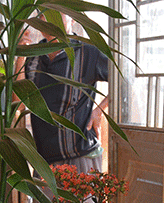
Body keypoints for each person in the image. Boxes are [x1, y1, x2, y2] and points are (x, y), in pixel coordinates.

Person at [22, 12, 109, 173]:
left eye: (58, 12)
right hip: (44, 161)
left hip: (81, 155)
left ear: (72, 18)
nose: (50, 18)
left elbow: (123, 80)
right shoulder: (32, 58)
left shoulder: (88, 53)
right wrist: (20, 54)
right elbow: (19, 104)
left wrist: (99, 110)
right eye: (44, 13)